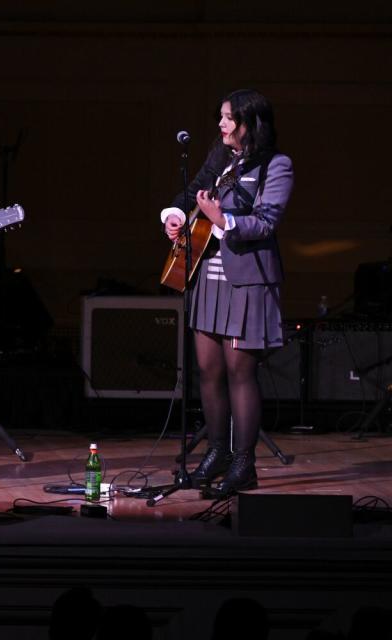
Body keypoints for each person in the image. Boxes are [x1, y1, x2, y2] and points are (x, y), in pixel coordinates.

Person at [161, 89, 293, 498]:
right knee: (209, 370)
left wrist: (225, 219)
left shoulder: (276, 165)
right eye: (220, 117)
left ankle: (244, 462)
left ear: (249, 122)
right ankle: (216, 452)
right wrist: (177, 215)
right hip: (209, 276)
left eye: (227, 118)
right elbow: (194, 189)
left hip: (248, 280)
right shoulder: (222, 157)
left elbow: (266, 222)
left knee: (240, 371)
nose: (220, 124)